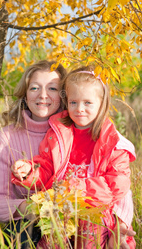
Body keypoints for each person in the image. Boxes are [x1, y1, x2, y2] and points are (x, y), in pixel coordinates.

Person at [11, 66, 136, 248]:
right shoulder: (58, 134)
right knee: (50, 239)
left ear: (101, 104)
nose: (80, 109)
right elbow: (46, 168)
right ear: (66, 102)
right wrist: (30, 171)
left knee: (88, 233)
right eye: (73, 102)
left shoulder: (113, 143)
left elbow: (117, 184)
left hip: (96, 213)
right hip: (61, 209)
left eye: (88, 103)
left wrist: (77, 188)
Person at [0, 60, 67, 248]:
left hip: (71, 218)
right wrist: (31, 208)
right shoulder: (7, 136)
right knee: (20, 234)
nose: (43, 95)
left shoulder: (72, 131)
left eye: (53, 89)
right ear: (25, 93)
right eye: (35, 88)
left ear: (64, 95)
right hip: (28, 224)